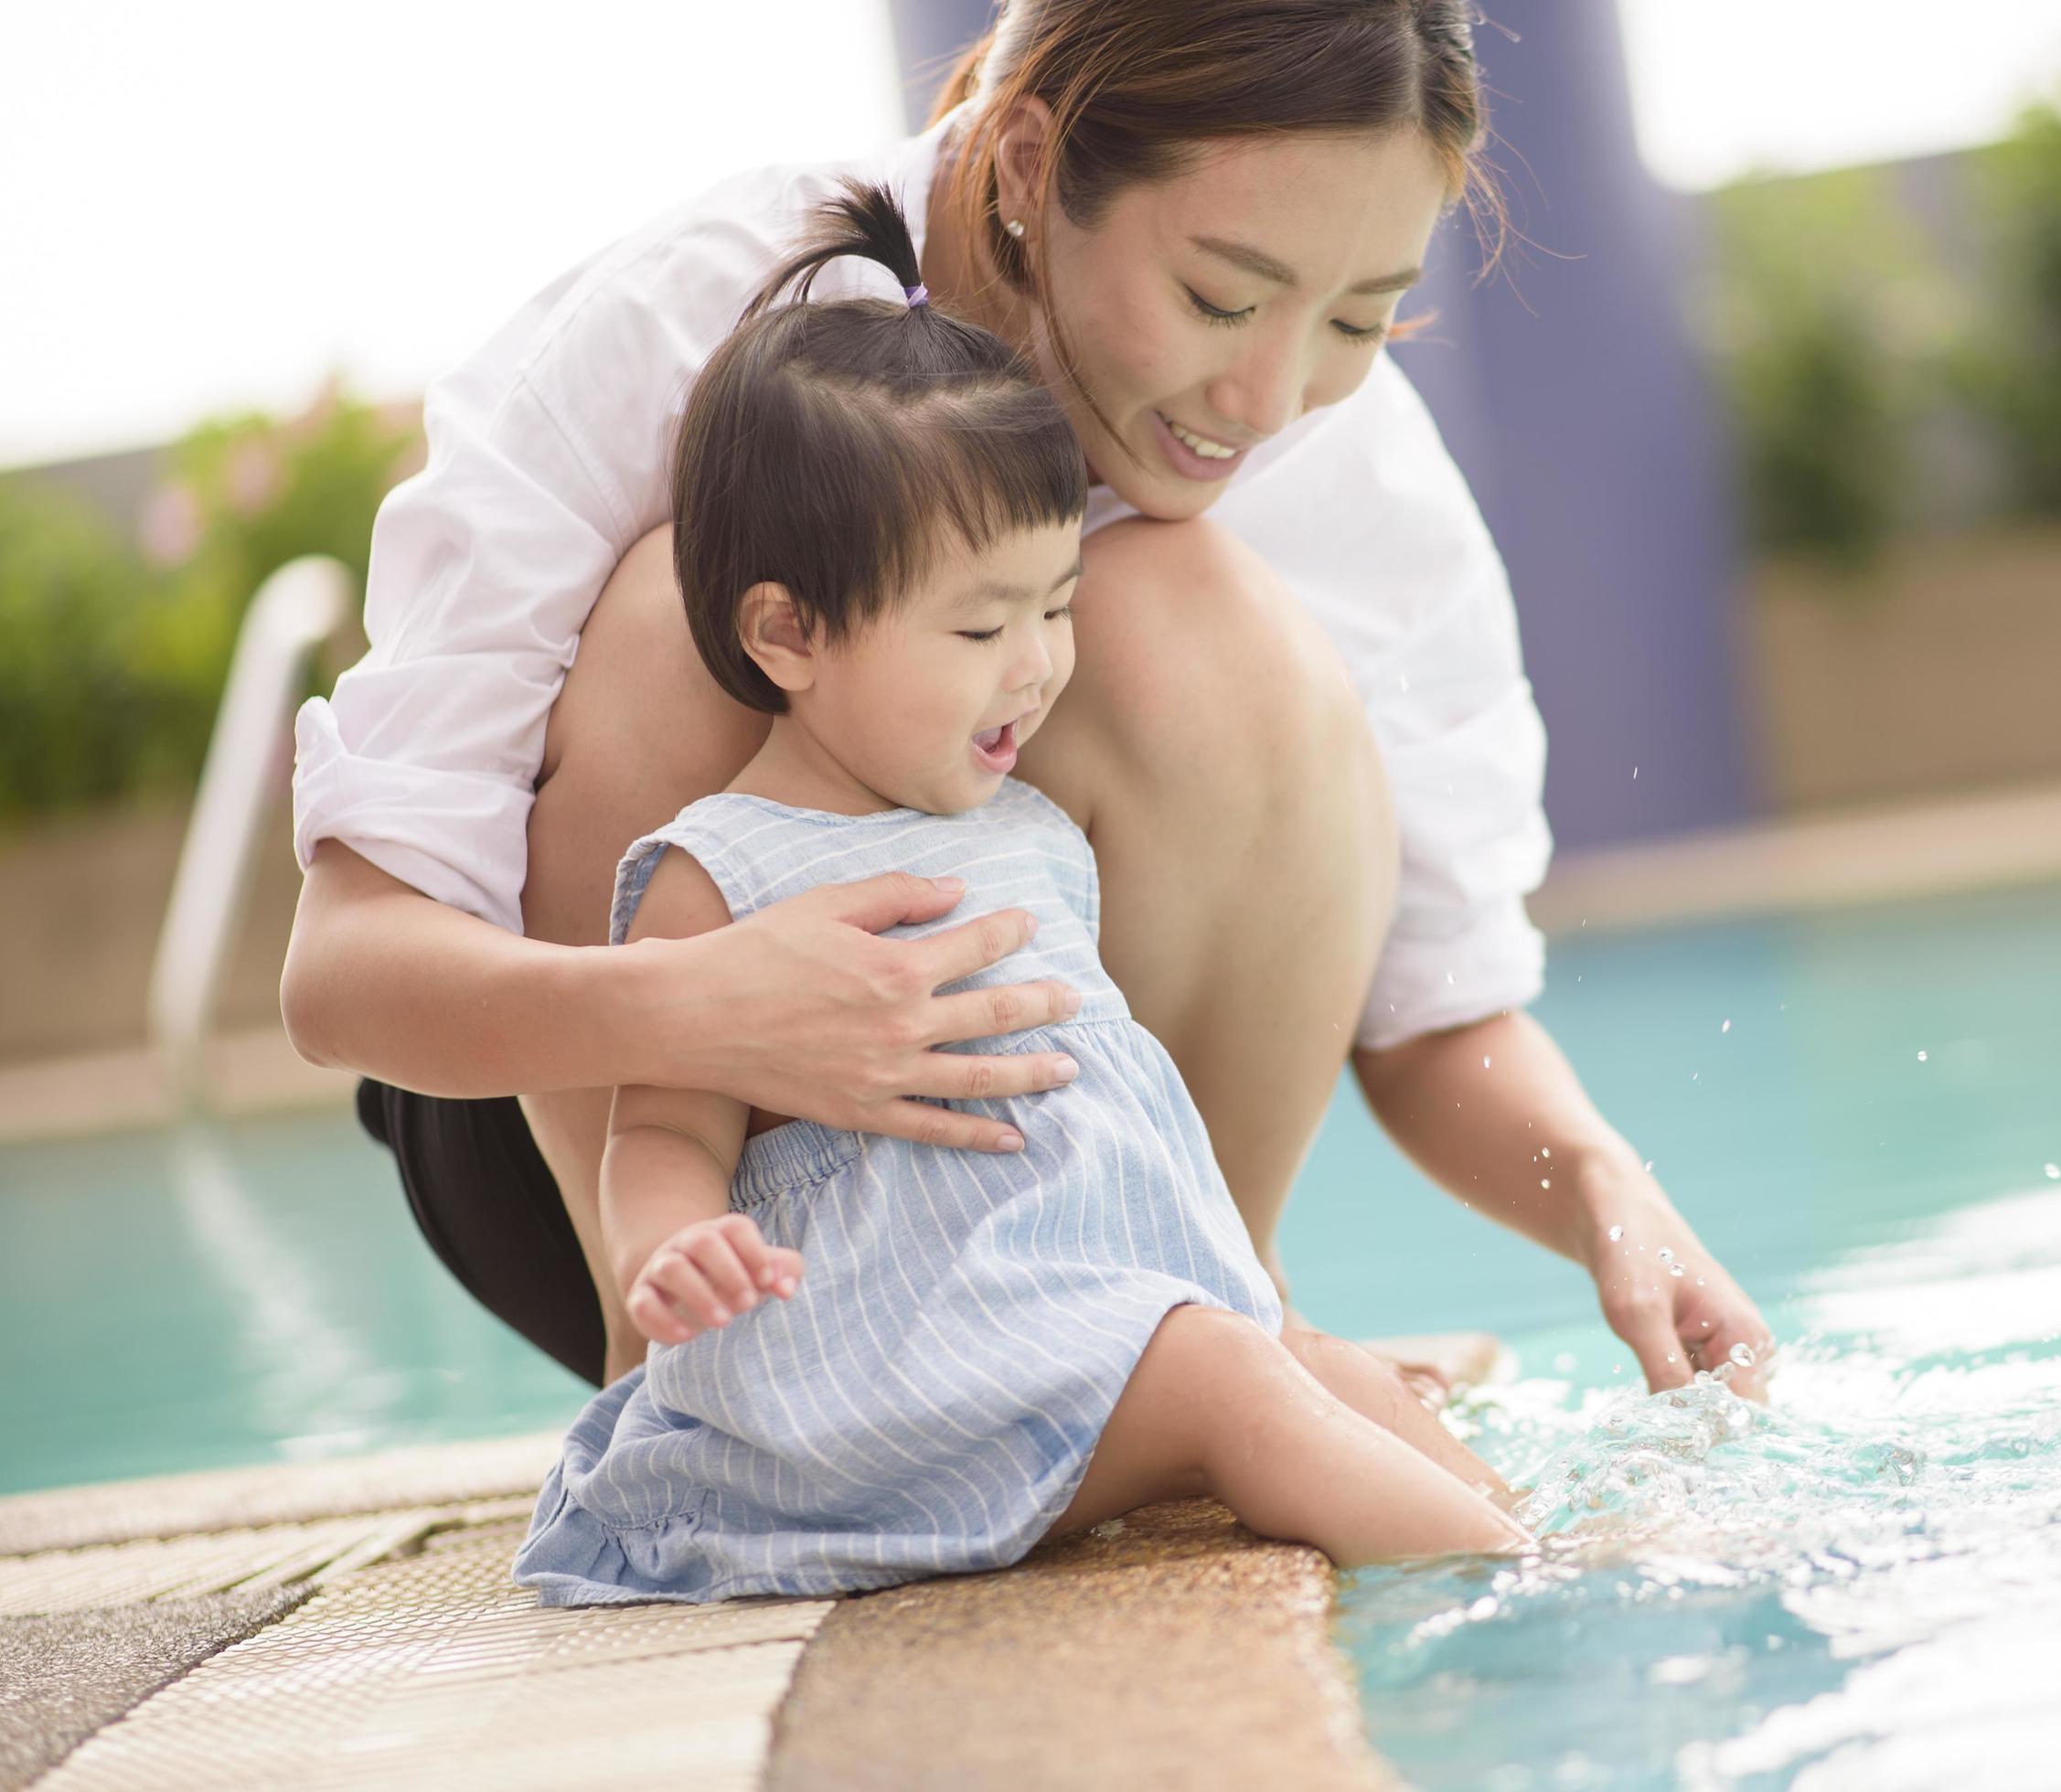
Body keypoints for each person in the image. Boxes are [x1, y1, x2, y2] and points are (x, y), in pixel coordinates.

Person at [282, 0, 1773, 1400]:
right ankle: (678, 1389)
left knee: (1189, 614)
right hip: (611, 1149)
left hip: (1043, 1182)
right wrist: (708, 1008)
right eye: (1219, 295)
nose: (1265, 398)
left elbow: (1437, 1009)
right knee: (692, 593)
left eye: (1355, 318)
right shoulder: (674, 329)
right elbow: (346, 970)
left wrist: (1603, 1197)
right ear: (1030, 161)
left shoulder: (1345, 468)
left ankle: (1203, 1306)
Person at [514, 187, 1524, 1602]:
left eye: (1054, 606)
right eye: (981, 625)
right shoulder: (718, 870)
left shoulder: (1032, 827)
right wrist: (673, 1244)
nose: (1037, 664)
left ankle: (1543, 1531)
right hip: (878, 1375)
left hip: (1053, 1317)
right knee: (1234, 1377)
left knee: (1313, 1362)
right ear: (789, 632)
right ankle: (1516, 1586)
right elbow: (662, 1122)